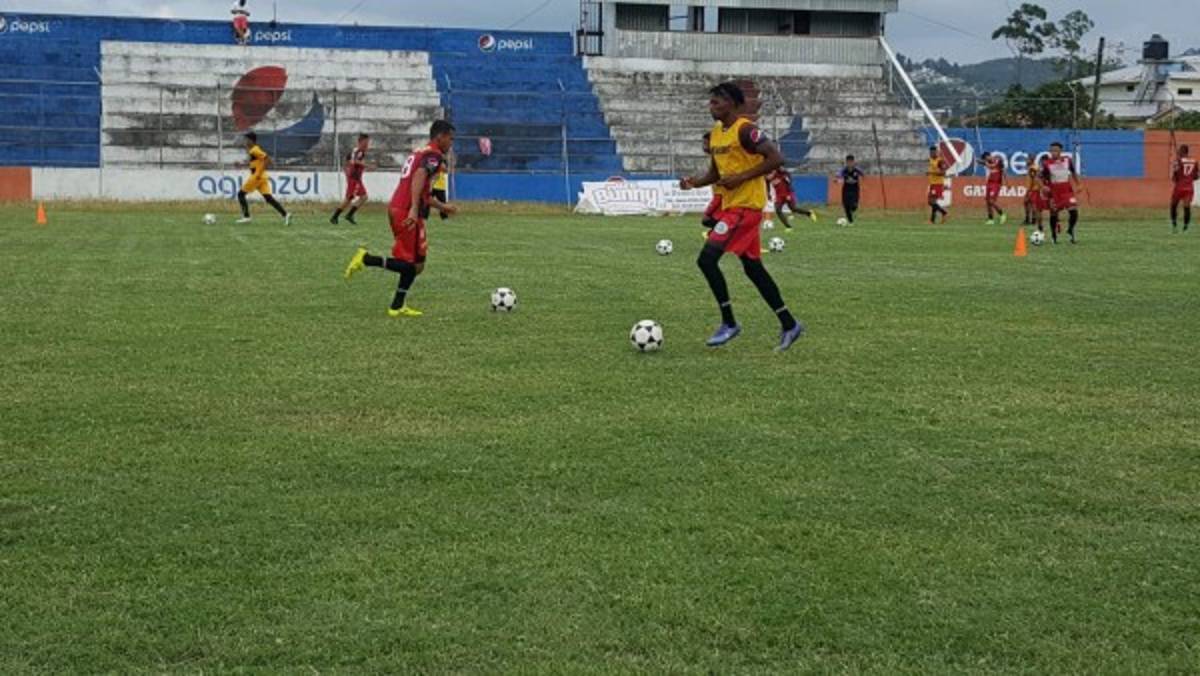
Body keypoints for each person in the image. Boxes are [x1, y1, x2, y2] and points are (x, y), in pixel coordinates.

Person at [679, 82, 805, 352]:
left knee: (706, 259)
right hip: (731, 206)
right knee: (753, 269)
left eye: (718, 101)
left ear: (734, 104)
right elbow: (715, 173)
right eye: (711, 101)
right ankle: (789, 323)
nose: (712, 106)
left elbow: (776, 158)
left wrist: (742, 177)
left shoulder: (746, 130)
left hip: (746, 208)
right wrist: (693, 182)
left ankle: (729, 323)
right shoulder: (715, 134)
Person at [343, 120, 457, 318]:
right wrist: (413, 209)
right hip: (405, 210)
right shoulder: (433, 155)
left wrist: (443, 207)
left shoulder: (420, 152)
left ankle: (397, 305)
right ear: (441, 136)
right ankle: (367, 259)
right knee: (411, 264)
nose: (451, 143)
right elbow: (419, 176)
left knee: (418, 264)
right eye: (450, 139)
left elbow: (423, 191)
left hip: (405, 208)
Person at [236, 132, 290, 225]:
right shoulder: (253, 150)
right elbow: (256, 163)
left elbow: (267, 159)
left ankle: (246, 217)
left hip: (257, 177)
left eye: (246, 139)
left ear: (251, 140)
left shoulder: (254, 150)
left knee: (241, 194)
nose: (245, 142)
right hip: (262, 177)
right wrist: (241, 165)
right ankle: (285, 214)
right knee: (268, 198)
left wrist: (258, 173)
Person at [1040, 142, 1083, 244]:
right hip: (1054, 190)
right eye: (1052, 150)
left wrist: (1079, 184)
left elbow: (1073, 172)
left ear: (1060, 151)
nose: (1053, 152)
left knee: (1074, 211)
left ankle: (1070, 229)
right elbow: (1039, 177)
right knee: (1054, 214)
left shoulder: (1067, 160)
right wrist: (1043, 187)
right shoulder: (1047, 164)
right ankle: (1054, 236)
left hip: (1067, 189)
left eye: (1056, 150)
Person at [331, 133, 370, 225]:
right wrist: (366, 165)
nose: (367, 144)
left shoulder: (357, 151)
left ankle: (348, 215)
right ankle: (335, 216)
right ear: (361, 142)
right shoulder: (359, 151)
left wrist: (348, 169)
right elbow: (353, 161)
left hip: (356, 178)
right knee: (349, 198)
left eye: (368, 142)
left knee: (363, 197)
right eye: (366, 142)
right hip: (354, 178)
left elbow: (348, 160)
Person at [1171, 144, 1195, 233]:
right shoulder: (1194, 161)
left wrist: (1176, 165)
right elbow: (1196, 176)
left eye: (1179, 151)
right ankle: (1186, 227)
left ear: (1182, 151)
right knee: (1187, 207)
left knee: (1173, 205)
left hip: (1179, 187)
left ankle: (1174, 225)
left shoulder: (1178, 161)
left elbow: (1174, 178)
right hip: (1189, 187)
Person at [978, 151, 1007, 225]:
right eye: (985, 159)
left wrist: (1007, 182)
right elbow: (989, 167)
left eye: (986, 158)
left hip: (996, 184)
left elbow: (994, 167)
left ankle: (1002, 214)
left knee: (992, 201)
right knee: (987, 201)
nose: (986, 159)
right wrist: (982, 162)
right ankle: (991, 219)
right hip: (989, 182)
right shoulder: (988, 163)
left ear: (989, 155)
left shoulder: (998, 160)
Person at [836, 155, 863, 224]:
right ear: (846, 162)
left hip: (855, 189)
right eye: (848, 162)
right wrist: (838, 179)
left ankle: (852, 211)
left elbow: (863, 174)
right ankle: (851, 222)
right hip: (846, 189)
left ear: (853, 162)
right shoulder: (844, 170)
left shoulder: (856, 170)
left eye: (851, 162)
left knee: (854, 205)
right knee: (846, 206)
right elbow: (839, 175)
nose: (850, 163)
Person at [927, 146, 949, 224]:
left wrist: (931, 173)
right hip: (932, 183)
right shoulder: (930, 160)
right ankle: (932, 220)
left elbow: (943, 173)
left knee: (931, 202)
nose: (931, 153)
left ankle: (944, 213)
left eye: (933, 152)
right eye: (930, 152)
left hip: (938, 184)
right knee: (933, 202)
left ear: (936, 152)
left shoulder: (940, 161)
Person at [1024, 161, 1046, 231]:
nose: (1026, 161)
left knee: (1033, 205)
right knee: (1028, 203)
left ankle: (1033, 220)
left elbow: (1034, 179)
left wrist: (1028, 191)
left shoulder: (1032, 169)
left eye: (1028, 159)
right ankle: (1031, 220)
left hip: (1035, 190)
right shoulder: (1034, 168)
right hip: (1034, 190)